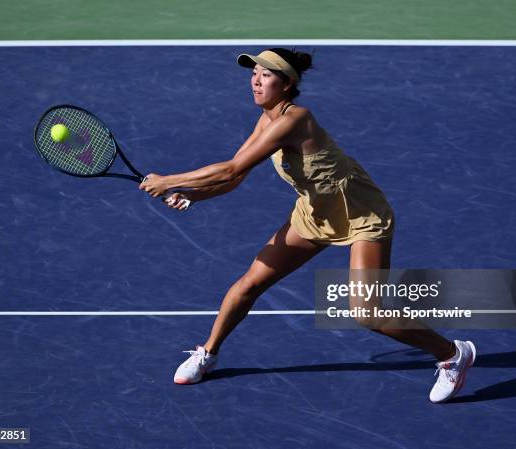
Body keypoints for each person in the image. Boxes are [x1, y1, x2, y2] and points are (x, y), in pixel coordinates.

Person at [139, 48, 476, 403]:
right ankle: (208, 352)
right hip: (314, 214)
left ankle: (453, 354)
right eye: (253, 72)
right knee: (249, 284)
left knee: (366, 314)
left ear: (287, 84)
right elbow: (236, 176)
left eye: (266, 74)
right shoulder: (267, 120)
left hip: (362, 215)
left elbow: (230, 169)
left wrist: (168, 180)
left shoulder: (295, 119)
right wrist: (192, 195)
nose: (255, 79)